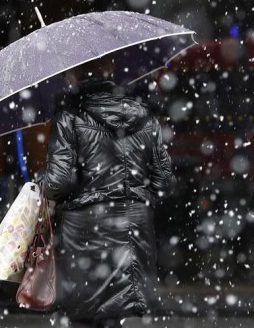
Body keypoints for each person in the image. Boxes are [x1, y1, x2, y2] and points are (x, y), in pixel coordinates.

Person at [39, 58, 176, 328]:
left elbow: (58, 183)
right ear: (111, 73)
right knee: (125, 310)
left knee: (84, 311)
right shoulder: (144, 116)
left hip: (85, 232)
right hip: (133, 227)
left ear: (76, 77)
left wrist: (41, 181)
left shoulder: (69, 118)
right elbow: (164, 182)